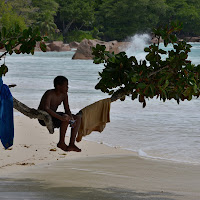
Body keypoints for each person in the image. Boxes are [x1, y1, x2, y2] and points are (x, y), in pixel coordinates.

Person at [38, 76, 81, 152]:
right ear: (58, 86)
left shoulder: (64, 95)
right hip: (44, 118)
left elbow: (67, 109)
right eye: (66, 86)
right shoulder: (49, 93)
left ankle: (72, 144)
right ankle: (61, 142)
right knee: (65, 117)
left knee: (77, 117)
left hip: (54, 116)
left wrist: (71, 118)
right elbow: (46, 108)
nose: (67, 88)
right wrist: (61, 118)